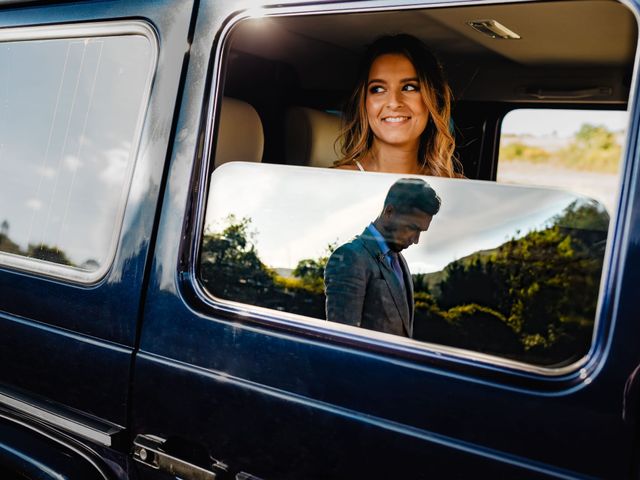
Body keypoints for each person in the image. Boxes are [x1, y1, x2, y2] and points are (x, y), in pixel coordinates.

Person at [324, 178, 441, 337]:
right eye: (412, 228)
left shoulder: (400, 259)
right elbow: (343, 341)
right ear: (389, 212)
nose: (415, 240)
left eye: (421, 231)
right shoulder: (350, 256)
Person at [334, 34, 463, 177]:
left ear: (433, 100)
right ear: (364, 104)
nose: (394, 103)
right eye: (378, 89)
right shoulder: (335, 182)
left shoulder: (458, 187)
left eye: (409, 87)